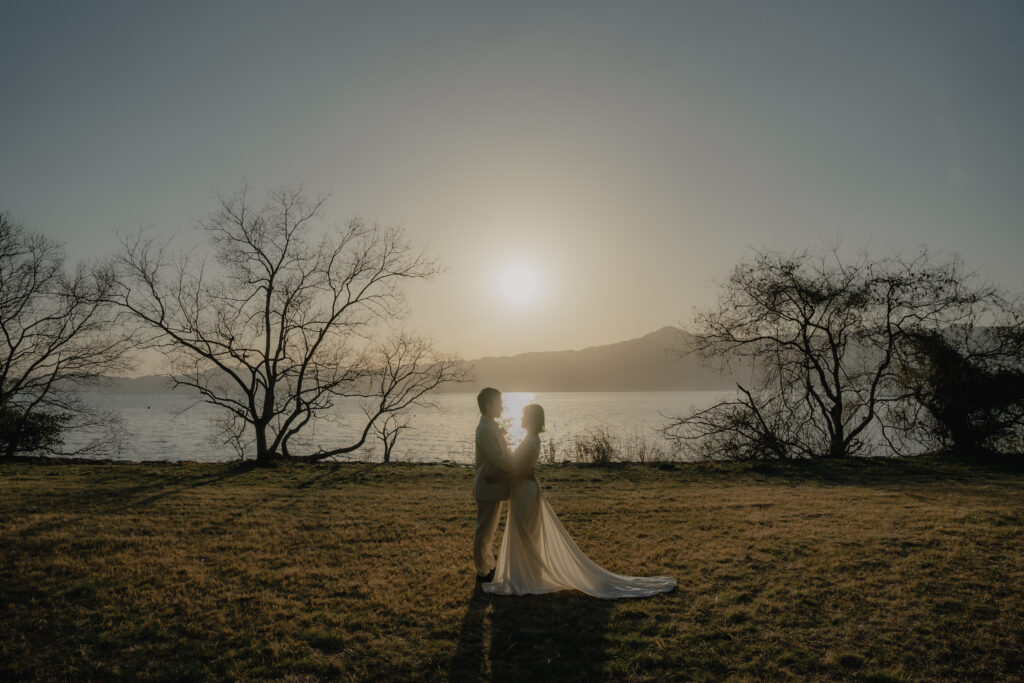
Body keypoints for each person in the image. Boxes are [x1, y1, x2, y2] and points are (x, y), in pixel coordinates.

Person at [482, 403, 676, 599]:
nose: (521, 419)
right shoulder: (529, 439)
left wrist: (497, 478)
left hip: (525, 491)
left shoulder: (532, 441)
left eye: (524, 416)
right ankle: (527, 575)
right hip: (523, 491)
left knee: (526, 535)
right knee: (525, 535)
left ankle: (526, 578)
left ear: (530, 419)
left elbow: (522, 472)